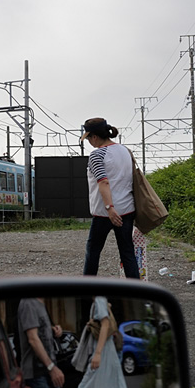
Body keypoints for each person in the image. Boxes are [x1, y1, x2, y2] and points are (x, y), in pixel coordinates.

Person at [80, 117, 140, 279]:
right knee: (127, 252)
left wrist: (110, 208)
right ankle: (136, 291)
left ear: (94, 136)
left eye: (88, 138)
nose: (89, 142)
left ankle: (87, 289)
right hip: (127, 209)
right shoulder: (125, 151)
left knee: (93, 251)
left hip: (104, 213)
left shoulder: (97, 155)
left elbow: (103, 182)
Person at [72, 297, 130, 388]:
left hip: (102, 352)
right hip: (106, 351)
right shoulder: (99, 301)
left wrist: (98, 353)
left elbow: (105, 324)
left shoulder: (98, 299)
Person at [17, 297, 68, 388]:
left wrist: (53, 330)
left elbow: (38, 333)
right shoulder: (28, 302)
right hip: (36, 374)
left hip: (48, 371)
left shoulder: (41, 303)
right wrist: (52, 368)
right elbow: (32, 338)